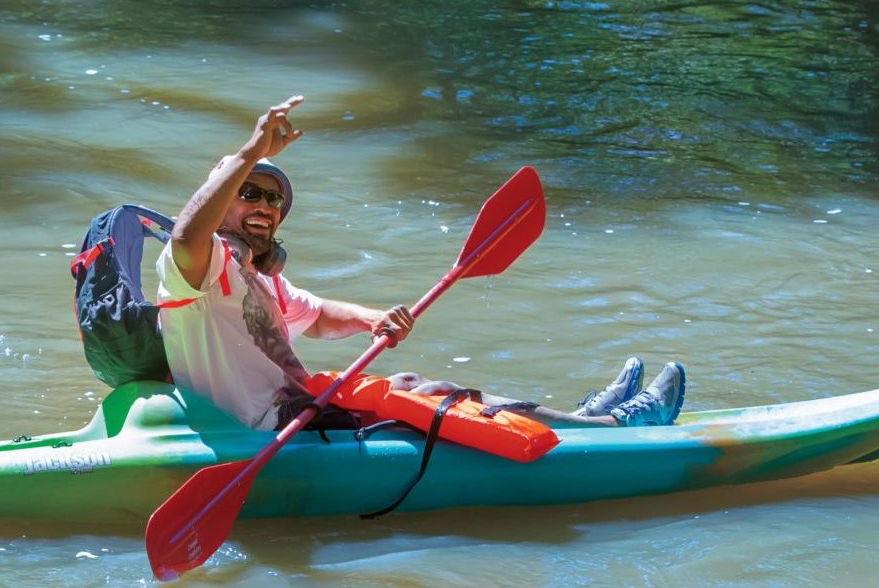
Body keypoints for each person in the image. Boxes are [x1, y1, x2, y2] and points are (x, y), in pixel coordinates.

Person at [155, 95, 686, 433]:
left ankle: (583, 420)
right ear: (220, 199)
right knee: (424, 394)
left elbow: (315, 317)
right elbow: (186, 234)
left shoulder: (262, 280)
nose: (265, 206)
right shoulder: (195, 268)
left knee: (412, 381)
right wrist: (249, 150)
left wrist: (371, 320)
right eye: (249, 193)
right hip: (269, 427)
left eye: (274, 200)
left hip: (301, 411)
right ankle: (610, 426)